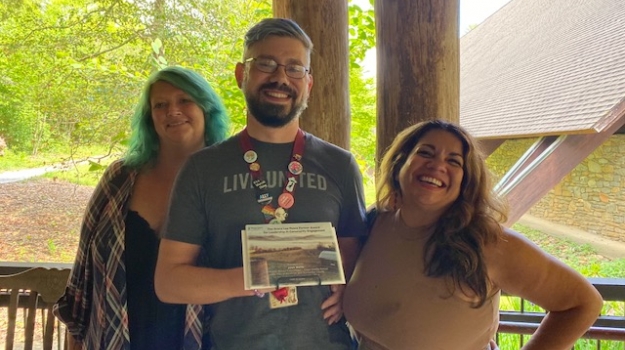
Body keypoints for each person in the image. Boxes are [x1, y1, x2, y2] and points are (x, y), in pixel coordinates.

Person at [154, 18, 367, 350]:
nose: (281, 77)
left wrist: (349, 286)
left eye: (295, 69)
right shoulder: (202, 169)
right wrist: (256, 275)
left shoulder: (341, 165)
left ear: (308, 84)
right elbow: (169, 282)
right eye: (266, 64)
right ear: (242, 75)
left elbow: (353, 258)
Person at [343, 119, 603, 350]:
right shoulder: (375, 222)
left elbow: (582, 304)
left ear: (466, 181)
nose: (437, 166)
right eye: (425, 153)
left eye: (453, 161)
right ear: (401, 163)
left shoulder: (489, 243)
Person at [53, 66, 230, 350]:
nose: (173, 111)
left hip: (203, 339)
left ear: (206, 109)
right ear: (150, 117)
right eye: (161, 104)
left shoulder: (230, 182)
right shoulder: (119, 178)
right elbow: (83, 271)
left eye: (184, 100)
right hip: (116, 337)